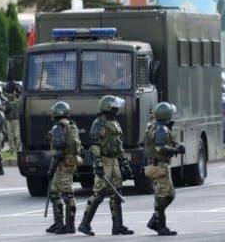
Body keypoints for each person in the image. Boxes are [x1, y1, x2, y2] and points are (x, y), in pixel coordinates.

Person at [78, 95, 134, 236]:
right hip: (104, 160)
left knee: (117, 193)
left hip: (114, 160)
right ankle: (84, 224)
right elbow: (95, 145)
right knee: (99, 193)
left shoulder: (114, 122)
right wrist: (98, 164)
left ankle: (118, 226)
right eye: (114, 106)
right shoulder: (99, 123)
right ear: (107, 107)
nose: (116, 108)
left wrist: (125, 163)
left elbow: (118, 145)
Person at [144, 102, 185, 236]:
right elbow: (160, 148)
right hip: (160, 165)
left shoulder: (154, 126)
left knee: (166, 195)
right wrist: (176, 150)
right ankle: (160, 226)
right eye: (171, 113)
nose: (173, 116)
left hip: (156, 165)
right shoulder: (162, 129)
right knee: (165, 196)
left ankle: (155, 222)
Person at [46, 101, 82, 234]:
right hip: (71, 162)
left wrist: (51, 169)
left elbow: (59, 150)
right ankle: (59, 223)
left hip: (62, 164)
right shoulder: (72, 126)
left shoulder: (57, 127)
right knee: (54, 192)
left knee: (68, 194)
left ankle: (70, 225)